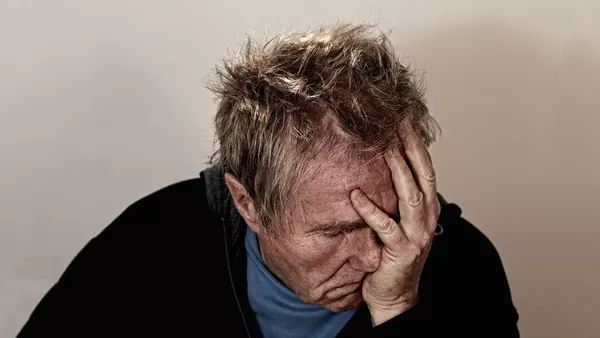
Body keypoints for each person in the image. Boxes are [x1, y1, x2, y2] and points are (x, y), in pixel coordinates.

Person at [17, 23, 519, 337]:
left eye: (393, 219)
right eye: (336, 230)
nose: (375, 257)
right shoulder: (151, 243)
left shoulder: (463, 265)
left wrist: (397, 308)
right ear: (246, 201)